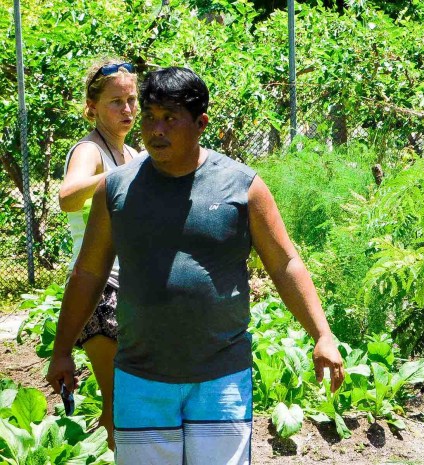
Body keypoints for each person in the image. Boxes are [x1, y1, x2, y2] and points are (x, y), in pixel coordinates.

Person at [46, 66, 344, 465]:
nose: (156, 130)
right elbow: (88, 273)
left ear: (201, 123)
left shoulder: (242, 185)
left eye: (170, 118)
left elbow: (285, 263)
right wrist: (62, 350)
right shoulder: (116, 188)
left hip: (221, 379)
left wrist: (322, 334)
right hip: (140, 378)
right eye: (150, 117)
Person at [57, 58, 138, 449]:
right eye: (115, 102)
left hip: (135, 289)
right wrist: (121, 175)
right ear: (92, 107)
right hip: (100, 290)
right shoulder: (90, 150)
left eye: (132, 100)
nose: (127, 109)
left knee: (132, 404)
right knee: (118, 407)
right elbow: (68, 197)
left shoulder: (134, 153)